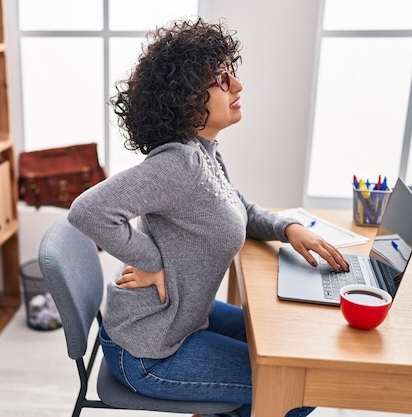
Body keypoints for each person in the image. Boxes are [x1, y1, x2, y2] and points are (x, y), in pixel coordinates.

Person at [67, 18, 349, 417]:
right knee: (296, 388)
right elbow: (88, 211)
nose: (237, 85)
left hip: (185, 319)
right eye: (220, 79)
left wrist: (289, 228)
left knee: (292, 356)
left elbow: (241, 208)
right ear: (185, 96)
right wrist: (154, 262)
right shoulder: (179, 163)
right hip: (149, 350)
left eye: (231, 74)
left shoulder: (203, 151)